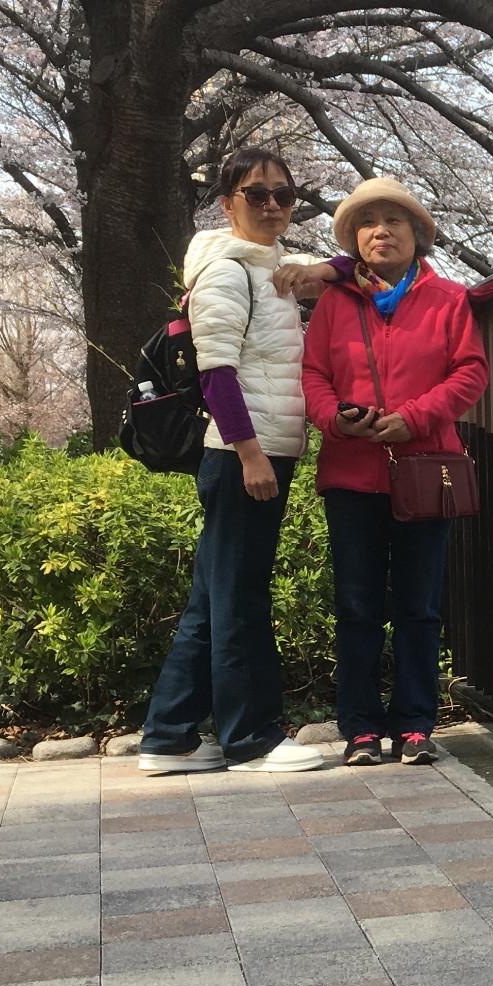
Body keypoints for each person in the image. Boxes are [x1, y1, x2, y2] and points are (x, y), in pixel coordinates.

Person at [137, 147, 327, 775]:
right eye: (256, 194)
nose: (272, 205)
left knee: (212, 599)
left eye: (284, 194)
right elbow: (217, 372)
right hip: (244, 452)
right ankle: (251, 739)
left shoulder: (271, 266)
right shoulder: (227, 271)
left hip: (259, 448)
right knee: (241, 597)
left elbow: (358, 269)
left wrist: (323, 269)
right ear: (226, 203)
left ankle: (168, 737)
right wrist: (251, 455)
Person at [301, 177, 487, 767]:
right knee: (356, 605)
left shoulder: (449, 298)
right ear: (355, 240)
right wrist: (336, 420)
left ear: (418, 235)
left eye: (395, 221)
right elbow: (312, 377)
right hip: (351, 474)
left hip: (426, 469)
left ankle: (414, 724)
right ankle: (358, 727)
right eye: (369, 222)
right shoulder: (334, 302)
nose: (381, 231)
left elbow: (470, 373)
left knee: (419, 605)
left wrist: (413, 418)